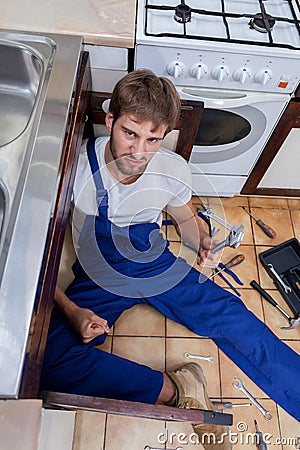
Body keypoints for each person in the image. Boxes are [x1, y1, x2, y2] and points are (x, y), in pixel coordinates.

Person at [40, 70, 300, 447]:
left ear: (165, 135)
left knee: (235, 320)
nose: (138, 152)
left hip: (154, 262)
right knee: (46, 360)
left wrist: (200, 243)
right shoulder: (74, 170)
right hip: (101, 273)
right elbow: (40, 262)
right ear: (111, 120)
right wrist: (70, 309)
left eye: (152, 139)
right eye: (130, 133)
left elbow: (184, 218)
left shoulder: (172, 169)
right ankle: (174, 389)